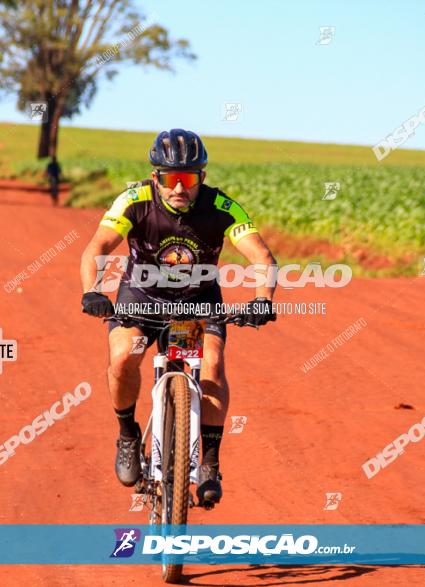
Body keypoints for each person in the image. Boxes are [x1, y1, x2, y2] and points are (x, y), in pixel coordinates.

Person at [80, 129, 277, 506]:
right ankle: (127, 436)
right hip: (140, 298)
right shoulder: (134, 200)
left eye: (189, 179)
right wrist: (92, 291)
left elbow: (262, 258)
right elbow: (97, 248)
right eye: (171, 179)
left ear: (202, 178)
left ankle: (210, 463)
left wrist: (262, 299)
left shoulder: (222, 207)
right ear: (156, 178)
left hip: (198, 302)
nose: (180, 188)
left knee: (213, 367)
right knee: (123, 357)